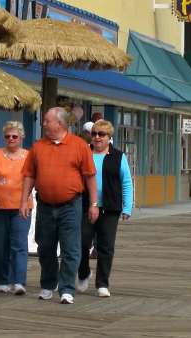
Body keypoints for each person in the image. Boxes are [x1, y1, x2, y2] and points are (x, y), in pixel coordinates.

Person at [20, 107, 97, 305]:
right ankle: (48, 284)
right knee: (45, 247)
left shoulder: (79, 145)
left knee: (71, 249)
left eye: (47, 120)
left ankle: (67, 289)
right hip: (45, 205)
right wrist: (24, 200)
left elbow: (90, 176)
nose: (43, 124)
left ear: (60, 124)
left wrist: (94, 204)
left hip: (71, 205)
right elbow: (29, 175)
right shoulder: (38, 147)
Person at [77, 120, 132, 298]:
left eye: (102, 134)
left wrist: (127, 207)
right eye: (94, 134)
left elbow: (126, 182)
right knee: (82, 242)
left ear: (109, 137)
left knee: (106, 246)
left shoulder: (118, 156)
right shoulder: (84, 153)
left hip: (110, 207)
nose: (97, 137)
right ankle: (83, 272)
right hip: (85, 205)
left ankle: (102, 283)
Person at [0, 121, 30, 295]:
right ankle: (2, 280)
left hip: (20, 207)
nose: (11, 139)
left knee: (19, 245)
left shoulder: (28, 156)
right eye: (7, 136)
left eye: (14, 136)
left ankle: (18, 281)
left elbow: (32, 180)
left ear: (22, 137)